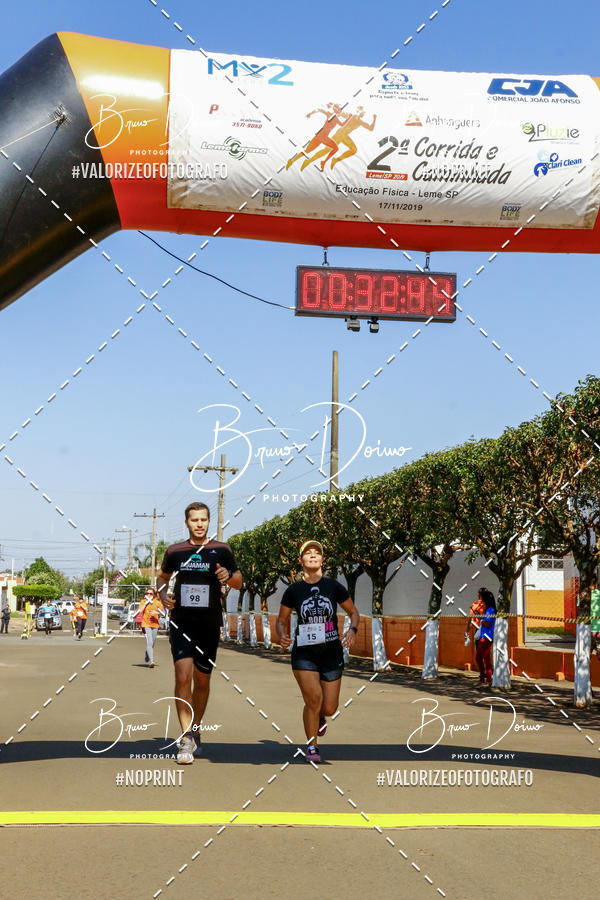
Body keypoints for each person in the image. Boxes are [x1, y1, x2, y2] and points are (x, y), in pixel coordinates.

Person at [157, 502, 242, 765]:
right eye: (194, 520)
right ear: (187, 523)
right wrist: (162, 595)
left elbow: (239, 580)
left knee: (202, 681)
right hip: (182, 622)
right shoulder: (176, 551)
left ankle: (195, 729)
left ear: (208, 522)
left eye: (203, 519)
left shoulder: (221, 549)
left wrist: (228, 576)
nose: (199, 524)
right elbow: (162, 577)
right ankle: (185, 737)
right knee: (183, 677)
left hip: (208, 623)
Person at [276, 540, 360, 764]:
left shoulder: (334, 587)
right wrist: (282, 635)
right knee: (313, 699)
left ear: (323, 559)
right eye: (308, 553)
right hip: (304, 654)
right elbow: (281, 620)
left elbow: (354, 613)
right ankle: (312, 746)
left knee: (329, 707)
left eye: (317, 553)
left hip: (331, 653)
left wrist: (352, 629)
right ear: (300, 560)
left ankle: (321, 716)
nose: (313, 556)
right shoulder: (293, 590)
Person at [136, 587, 164, 668]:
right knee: (150, 642)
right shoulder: (143, 601)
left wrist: (157, 612)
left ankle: (147, 652)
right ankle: (152, 661)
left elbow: (163, 613)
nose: (148, 595)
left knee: (152, 643)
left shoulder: (157, 602)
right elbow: (140, 611)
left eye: (150, 593)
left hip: (155, 625)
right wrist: (145, 604)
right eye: (147, 593)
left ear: (154, 595)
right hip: (146, 624)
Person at [475, 588, 496, 688]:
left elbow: (487, 623)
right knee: (486, 658)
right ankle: (487, 679)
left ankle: (485, 679)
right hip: (486, 636)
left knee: (479, 657)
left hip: (486, 637)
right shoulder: (489, 609)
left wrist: (481, 619)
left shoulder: (490, 610)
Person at [590, 576, 600, 661]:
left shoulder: (582, 595)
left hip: (586, 626)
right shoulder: (599, 594)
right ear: (597, 583)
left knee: (587, 648)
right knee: (597, 644)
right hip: (598, 626)